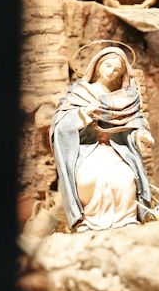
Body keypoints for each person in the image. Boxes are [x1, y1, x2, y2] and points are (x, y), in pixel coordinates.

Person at [50, 46, 153, 232]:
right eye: (108, 65)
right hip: (87, 149)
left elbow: (133, 124)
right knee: (88, 178)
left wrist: (140, 135)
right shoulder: (80, 91)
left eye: (117, 69)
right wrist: (83, 113)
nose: (111, 71)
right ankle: (88, 220)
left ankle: (126, 219)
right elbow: (60, 124)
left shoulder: (125, 97)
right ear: (97, 65)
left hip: (116, 148)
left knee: (125, 178)